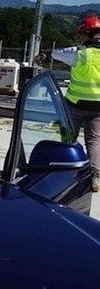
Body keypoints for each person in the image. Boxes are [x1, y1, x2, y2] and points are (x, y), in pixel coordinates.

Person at [52, 15, 100, 192]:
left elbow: (55, 53)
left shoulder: (78, 54)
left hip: (75, 105)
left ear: (86, 34)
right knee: (94, 141)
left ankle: (63, 171)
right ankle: (95, 178)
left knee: (67, 138)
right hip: (98, 107)